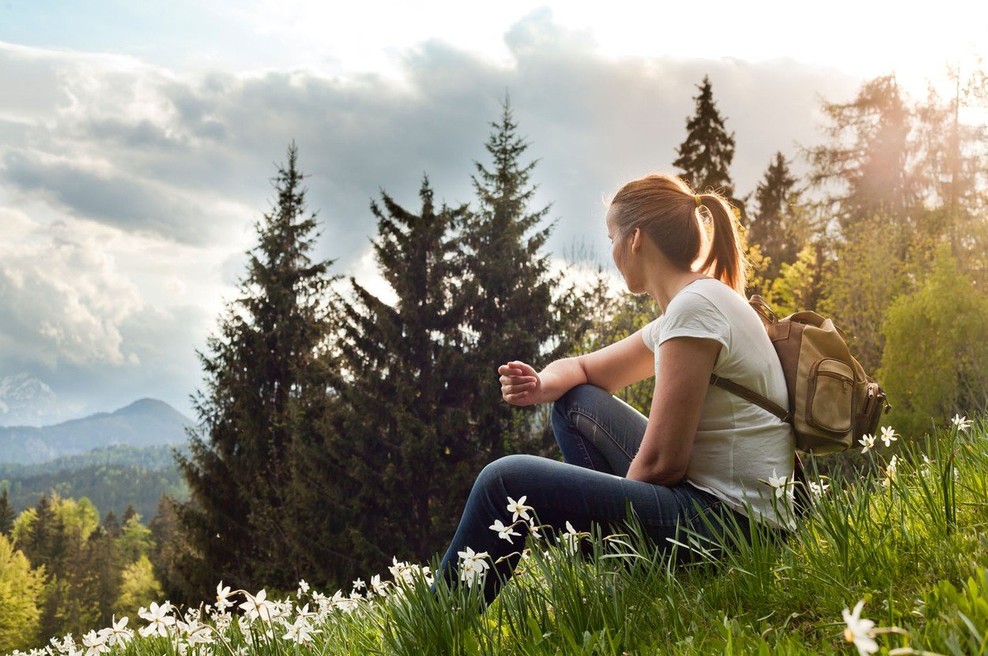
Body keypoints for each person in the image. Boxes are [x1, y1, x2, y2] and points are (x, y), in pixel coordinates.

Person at [436, 173, 795, 605]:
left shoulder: (694, 311)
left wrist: (602, 510)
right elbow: (587, 369)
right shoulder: (696, 305)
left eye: (612, 237)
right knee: (574, 402)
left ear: (636, 238)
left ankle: (434, 627)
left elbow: (664, 462)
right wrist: (540, 384)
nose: (612, 252)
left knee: (504, 482)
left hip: (732, 530)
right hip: (729, 514)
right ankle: (632, 562)